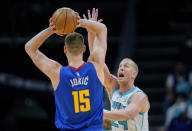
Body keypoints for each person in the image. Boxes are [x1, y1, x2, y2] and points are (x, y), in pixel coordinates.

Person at [25, 9, 107, 130]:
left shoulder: (57, 72)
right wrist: (82, 22)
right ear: (84, 48)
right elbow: (102, 29)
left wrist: (51, 29)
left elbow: (29, 48)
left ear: (65, 49)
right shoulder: (96, 66)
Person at [102, 58, 150, 131]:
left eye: (126, 66)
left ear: (134, 74)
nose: (121, 68)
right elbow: (99, 63)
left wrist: (100, 113)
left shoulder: (139, 96)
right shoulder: (114, 88)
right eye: (120, 66)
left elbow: (128, 114)